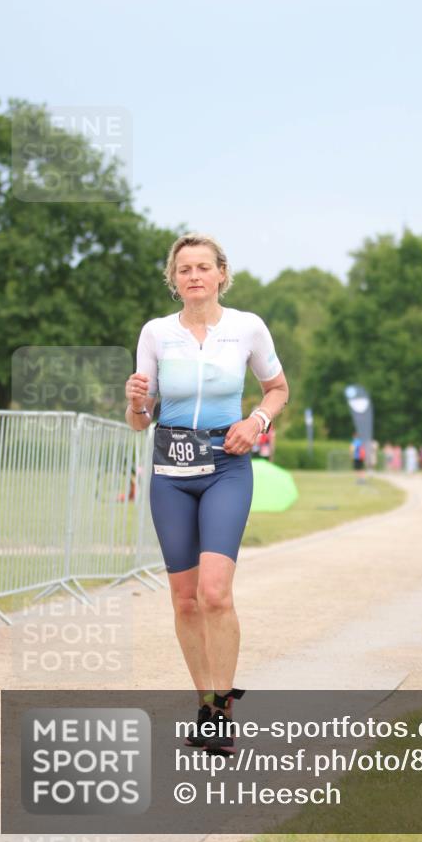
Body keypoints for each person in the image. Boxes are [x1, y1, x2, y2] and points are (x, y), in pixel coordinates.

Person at [124, 233, 289, 752]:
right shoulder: (155, 333)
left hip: (226, 465)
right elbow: (139, 420)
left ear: (221, 274)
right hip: (171, 472)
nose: (193, 276)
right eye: (184, 269)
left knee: (215, 593)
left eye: (203, 267)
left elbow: (277, 388)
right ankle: (206, 707)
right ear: (173, 281)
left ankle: (223, 706)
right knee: (184, 599)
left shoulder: (247, 328)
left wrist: (257, 421)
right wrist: (133, 403)